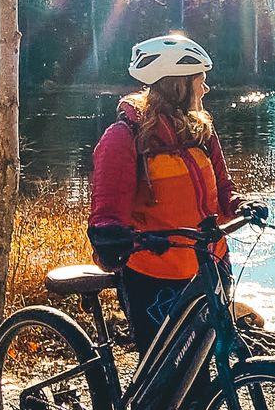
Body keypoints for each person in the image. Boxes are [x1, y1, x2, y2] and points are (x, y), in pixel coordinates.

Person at [88, 33, 239, 353]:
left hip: (208, 266)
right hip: (154, 277)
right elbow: (106, 214)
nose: (206, 87)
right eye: (201, 79)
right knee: (162, 380)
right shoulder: (124, 136)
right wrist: (116, 238)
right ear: (178, 85)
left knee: (202, 367)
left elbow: (224, 190)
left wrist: (242, 206)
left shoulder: (200, 131)